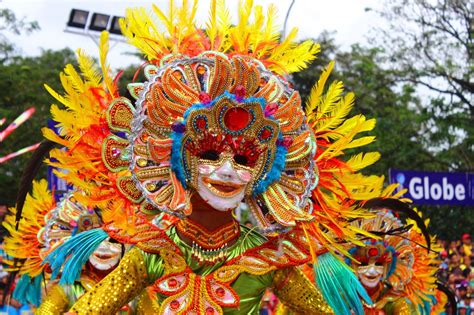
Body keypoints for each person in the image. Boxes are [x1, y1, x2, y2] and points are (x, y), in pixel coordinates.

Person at [38, 0, 401, 314]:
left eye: (244, 159)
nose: (227, 170)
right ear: (178, 162)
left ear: (264, 171)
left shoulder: (268, 258)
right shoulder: (152, 252)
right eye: (210, 153)